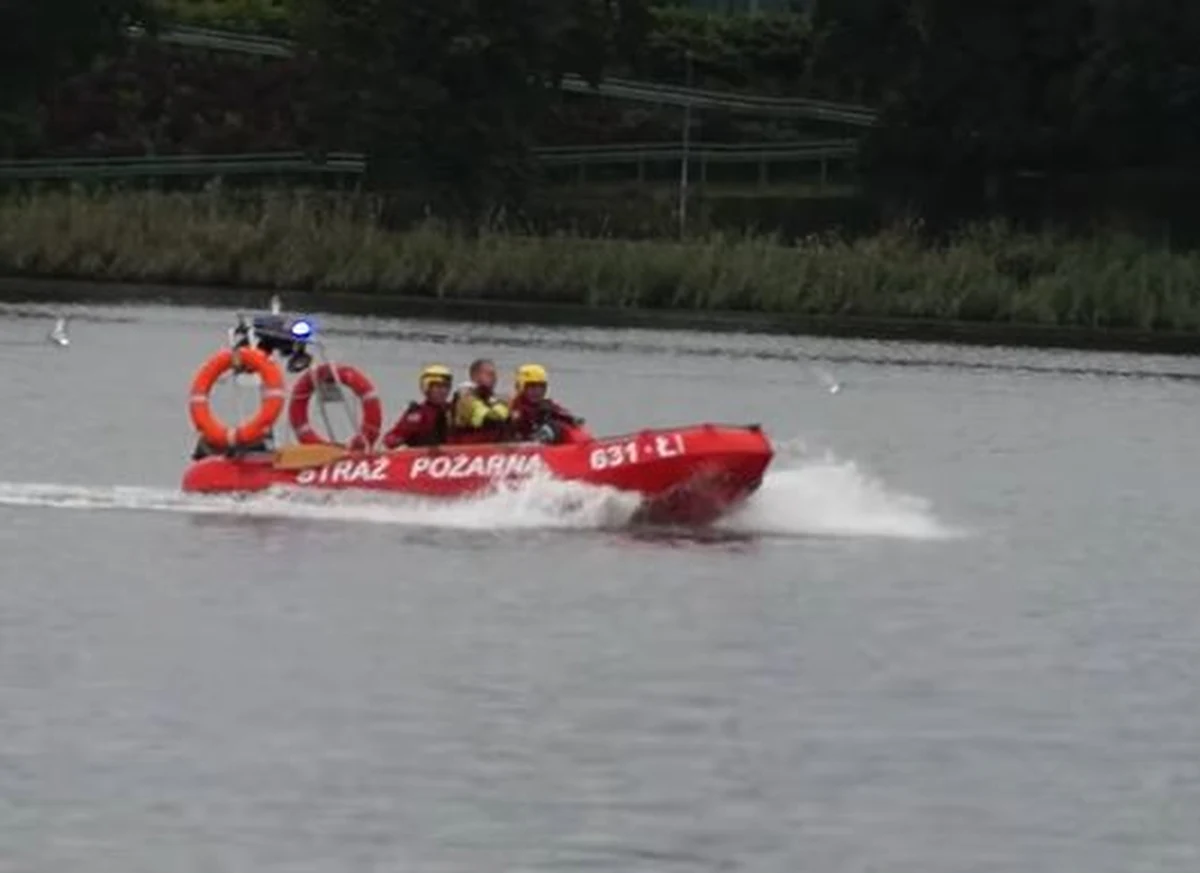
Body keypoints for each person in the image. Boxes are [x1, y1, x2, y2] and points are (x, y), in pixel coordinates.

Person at [381, 364, 454, 448]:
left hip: (457, 455)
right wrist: (396, 440)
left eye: (446, 387)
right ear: (427, 388)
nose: (443, 391)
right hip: (424, 454)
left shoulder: (455, 410)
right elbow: (392, 438)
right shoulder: (418, 414)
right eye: (438, 387)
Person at [509, 363, 584, 443]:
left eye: (541, 387)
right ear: (520, 387)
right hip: (518, 444)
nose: (537, 392)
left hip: (542, 445)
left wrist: (571, 419)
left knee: (556, 424)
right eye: (532, 387)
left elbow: (563, 414)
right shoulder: (514, 406)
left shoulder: (547, 405)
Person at [450, 357, 510, 442]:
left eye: (495, 375)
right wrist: (503, 406)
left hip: (491, 445)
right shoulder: (465, 398)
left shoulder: (491, 398)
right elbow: (488, 418)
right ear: (475, 376)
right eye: (489, 374)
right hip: (468, 446)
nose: (494, 378)